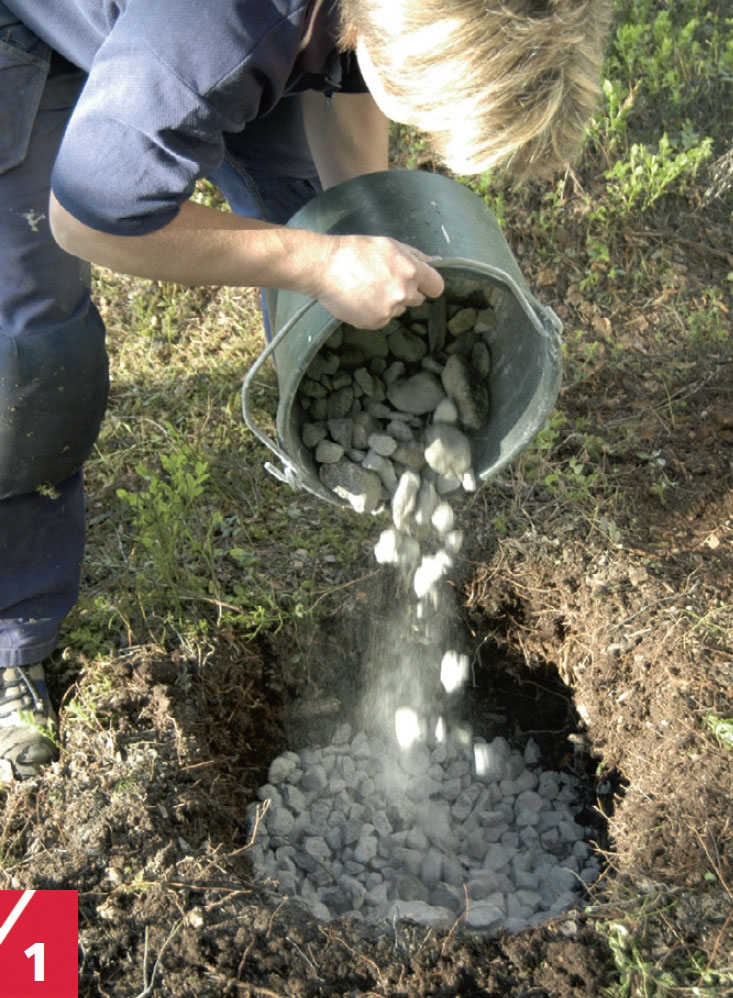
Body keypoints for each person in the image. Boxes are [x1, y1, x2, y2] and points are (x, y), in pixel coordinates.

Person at [0, 0, 610, 778]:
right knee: (30, 363)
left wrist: (361, 234)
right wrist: (315, 264)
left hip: (211, 41)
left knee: (308, 205)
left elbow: (345, 79)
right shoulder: (223, 23)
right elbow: (88, 218)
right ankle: (8, 635)